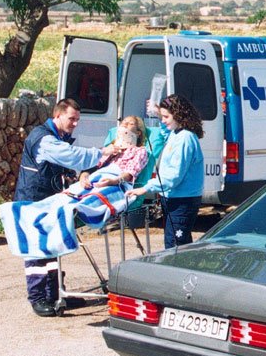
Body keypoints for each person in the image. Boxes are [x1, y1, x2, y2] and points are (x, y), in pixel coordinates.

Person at [12, 98, 124, 317]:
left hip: (50, 199)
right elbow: (72, 156)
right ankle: (38, 299)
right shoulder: (44, 139)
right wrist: (104, 152)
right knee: (37, 251)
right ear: (58, 115)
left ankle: (55, 294)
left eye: (77, 120)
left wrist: (81, 174)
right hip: (33, 200)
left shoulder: (57, 136)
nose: (75, 124)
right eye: (72, 119)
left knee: (53, 247)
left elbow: (68, 164)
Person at [127, 94, 204, 249]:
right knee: (174, 242)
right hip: (173, 198)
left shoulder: (185, 138)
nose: (163, 120)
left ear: (178, 115)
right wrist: (157, 112)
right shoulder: (176, 134)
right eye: (162, 116)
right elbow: (166, 133)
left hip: (182, 200)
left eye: (166, 117)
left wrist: (146, 188)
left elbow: (174, 176)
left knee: (175, 245)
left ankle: (180, 272)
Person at [78, 116, 150, 189]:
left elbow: (129, 173)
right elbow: (91, 166)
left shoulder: (140, 151)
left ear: (138, 133)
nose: (125, 124)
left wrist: (114, 181)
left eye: (130, 123)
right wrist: (83, 177)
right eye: (123, 122)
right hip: (96, 178)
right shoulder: (108, 148)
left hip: (117, 183)